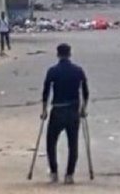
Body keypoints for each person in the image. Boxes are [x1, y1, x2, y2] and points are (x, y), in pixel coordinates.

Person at [41, 42, 89, 185]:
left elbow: (46, 92)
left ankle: (54, 172)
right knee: (72, 144)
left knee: (51, 142)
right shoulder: (78, 71)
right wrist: (83, 108)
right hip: (73, 111)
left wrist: (44, 110)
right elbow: (85, 92)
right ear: (70, 54)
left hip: (57, 110)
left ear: (58, 54)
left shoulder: (52, 71)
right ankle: (69, 175)